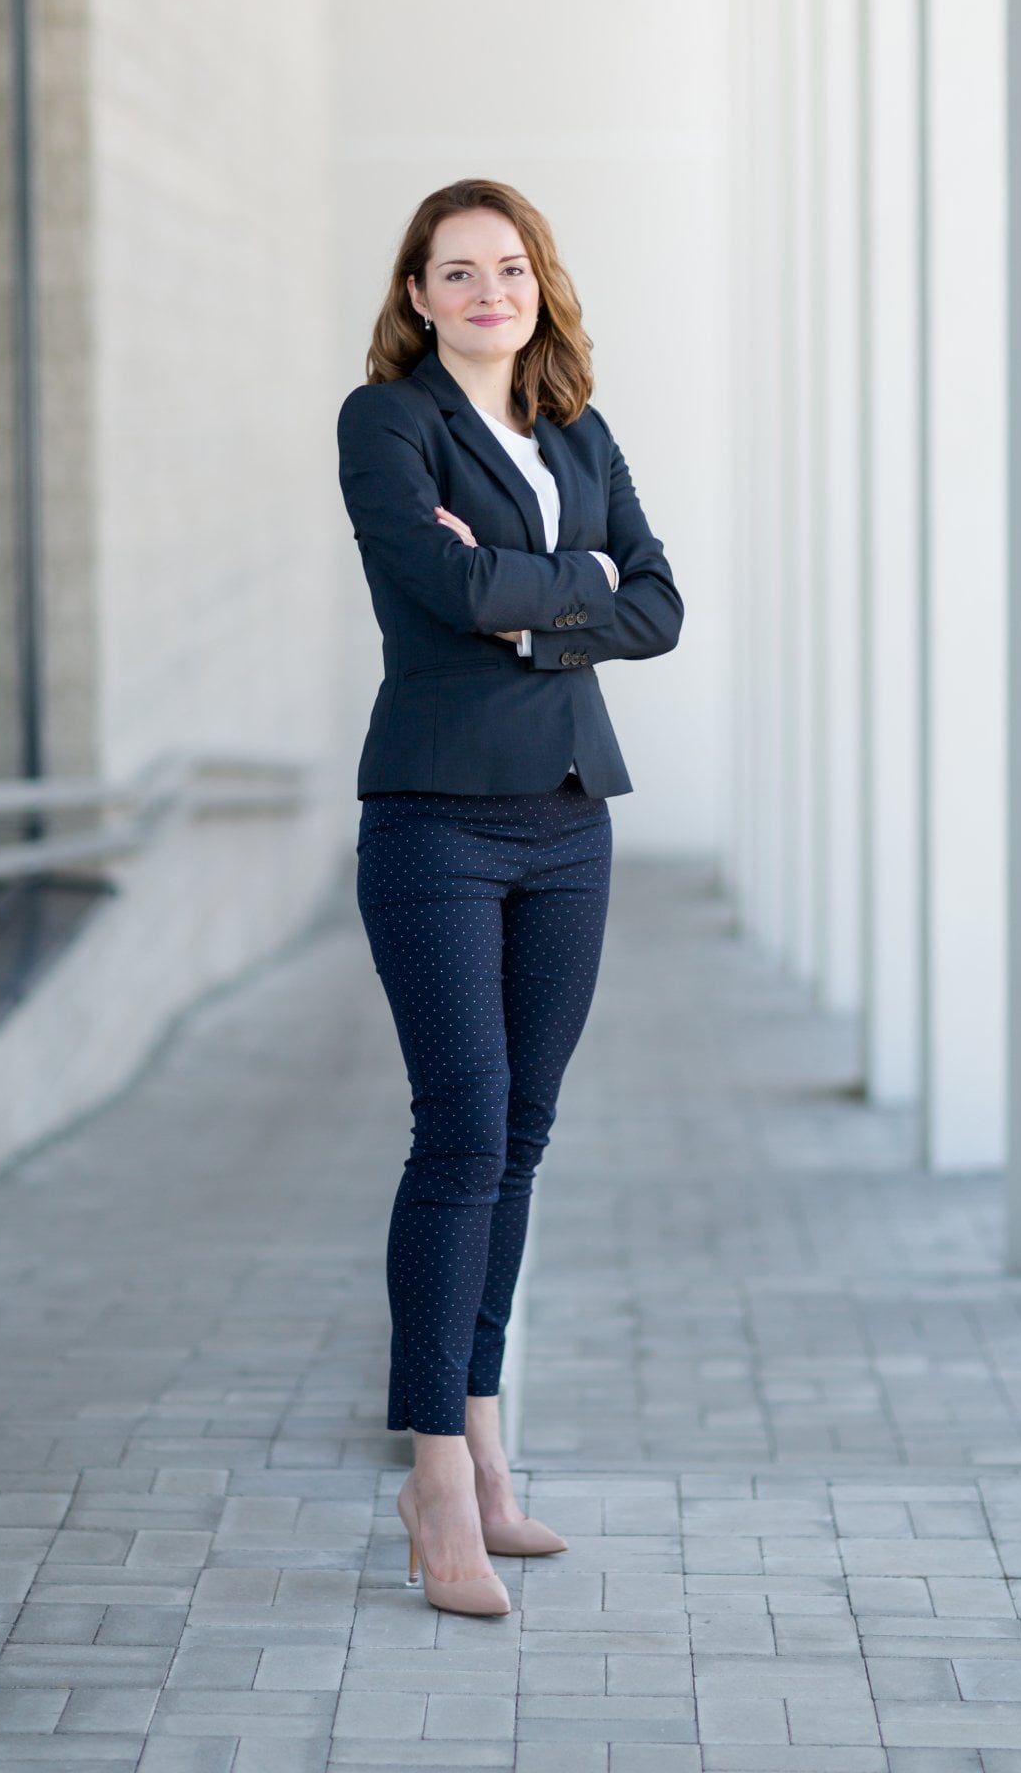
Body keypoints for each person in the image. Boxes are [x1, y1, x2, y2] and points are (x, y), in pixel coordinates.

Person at [337, 177, 682, 1616]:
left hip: (564, 819)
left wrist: (531, 587)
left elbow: (654, 607)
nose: (489, 290)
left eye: (510, 266)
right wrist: (569, 594)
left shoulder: (579, 433)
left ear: (541, 281)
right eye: (456, 270)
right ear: (417, 294)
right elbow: (440, 592)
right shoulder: (386, 423)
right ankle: (430, 1479)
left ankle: (486, 1451)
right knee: (461, 1129)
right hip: (432, 822)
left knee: (522, 1135)